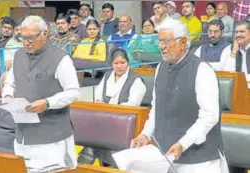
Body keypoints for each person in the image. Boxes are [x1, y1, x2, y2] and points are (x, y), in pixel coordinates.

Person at [130, 18, 229, 173]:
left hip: (199, 161)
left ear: (183, 42)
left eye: (166, 41)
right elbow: (157, 109)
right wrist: (145, 134)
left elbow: (210, 116)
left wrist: (184, 143)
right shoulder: (160, 68)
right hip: (165, 157)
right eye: (159, 41)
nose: (161, 46)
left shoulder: (202, 70)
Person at [2, 15, 81, 170]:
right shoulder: (18, 55)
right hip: (23, 134)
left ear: (45, 34)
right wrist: (8, 95)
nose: (26, 43)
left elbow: (74, 91)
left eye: (31, 38)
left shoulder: (61, 58)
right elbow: (10, 82)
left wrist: (47, 103)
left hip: (52, 138)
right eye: (22, 37)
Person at [78, 48, 146, 166]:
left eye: (123, 63)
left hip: (123, 126)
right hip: (104, 123)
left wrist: (109, 107)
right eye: (116, 63)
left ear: (128, 63)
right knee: (91, 143)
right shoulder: (107, 76)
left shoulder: (136, 81)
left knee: (91, 147)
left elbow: (132, 106)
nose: (119, 66)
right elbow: (98, 97)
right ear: (112, 64)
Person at [225, 20, 250, 89]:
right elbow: (227, 74)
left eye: (242, 32)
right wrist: (234, 52)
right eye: (236, 32)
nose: (238, 35)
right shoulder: (230, 49)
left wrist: (242, 79)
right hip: (237, 89)